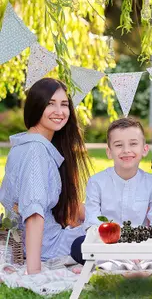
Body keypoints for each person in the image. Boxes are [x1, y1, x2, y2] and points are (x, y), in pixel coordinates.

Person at [0, 78, 90, 274]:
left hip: (45, 241)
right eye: (51, 104)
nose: (59, 111)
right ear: (36, 106)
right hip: (48, 248)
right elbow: (33, 213)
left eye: (64, 104)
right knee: (113, 243)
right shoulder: (35, 151)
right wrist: (34, 272)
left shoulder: (27, 144)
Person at [71, 118, 152, 265]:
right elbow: (92, 223)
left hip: (139, 242)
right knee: (78, 246)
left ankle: (120, 262)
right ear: (109, 152)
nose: (126, 150)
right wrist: (114, 243)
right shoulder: (96, 182)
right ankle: (122, 261)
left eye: (133, 144)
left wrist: (151, 241)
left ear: (144, 149)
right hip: (106, 243)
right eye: (118, 145)